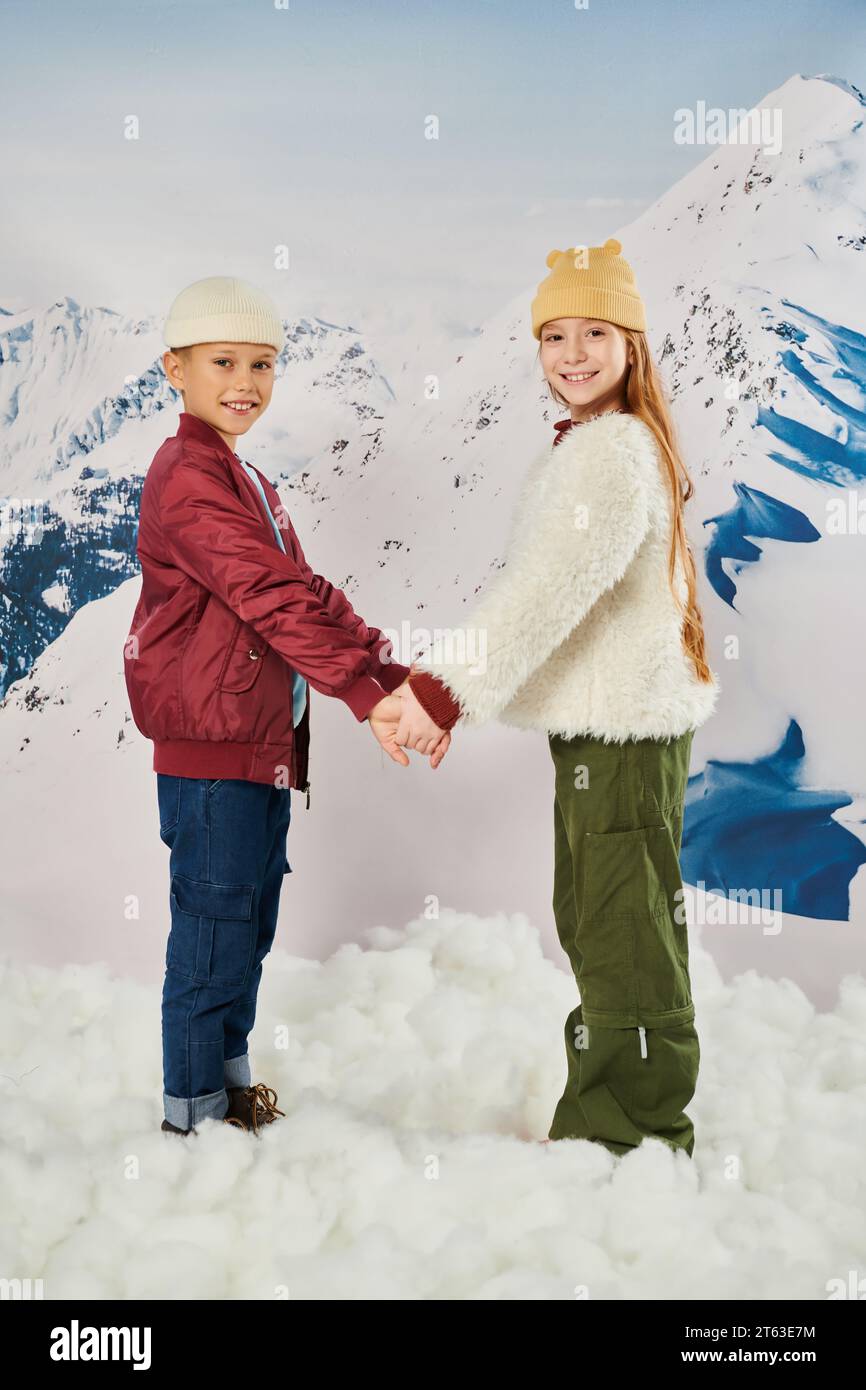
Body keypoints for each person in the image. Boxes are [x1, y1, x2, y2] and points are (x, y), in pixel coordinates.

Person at [399, 239, 720, 1157]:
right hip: (611, 732)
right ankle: (614, 1120)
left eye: (593, 332)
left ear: (633, 344)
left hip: (620, 736)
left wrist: (440, 692)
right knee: (603, 919)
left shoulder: (610, 453)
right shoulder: (608, 442)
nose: (571, 354)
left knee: (621, 931)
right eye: (552, 336)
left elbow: (545, 593)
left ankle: (632, 1139)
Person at [124, 276, 450, 1137]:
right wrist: (360, 692)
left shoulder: (244, 475)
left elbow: (305, 589)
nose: (245, 380)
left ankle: (229, 1089)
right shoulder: (187, 478)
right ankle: (190, 1120)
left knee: (247, 927)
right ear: (174, 369)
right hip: (212, 754)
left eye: (262, 363)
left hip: (261, 747)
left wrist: (386, 671)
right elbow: (264, 592)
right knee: (209, 937)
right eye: (223, 361)